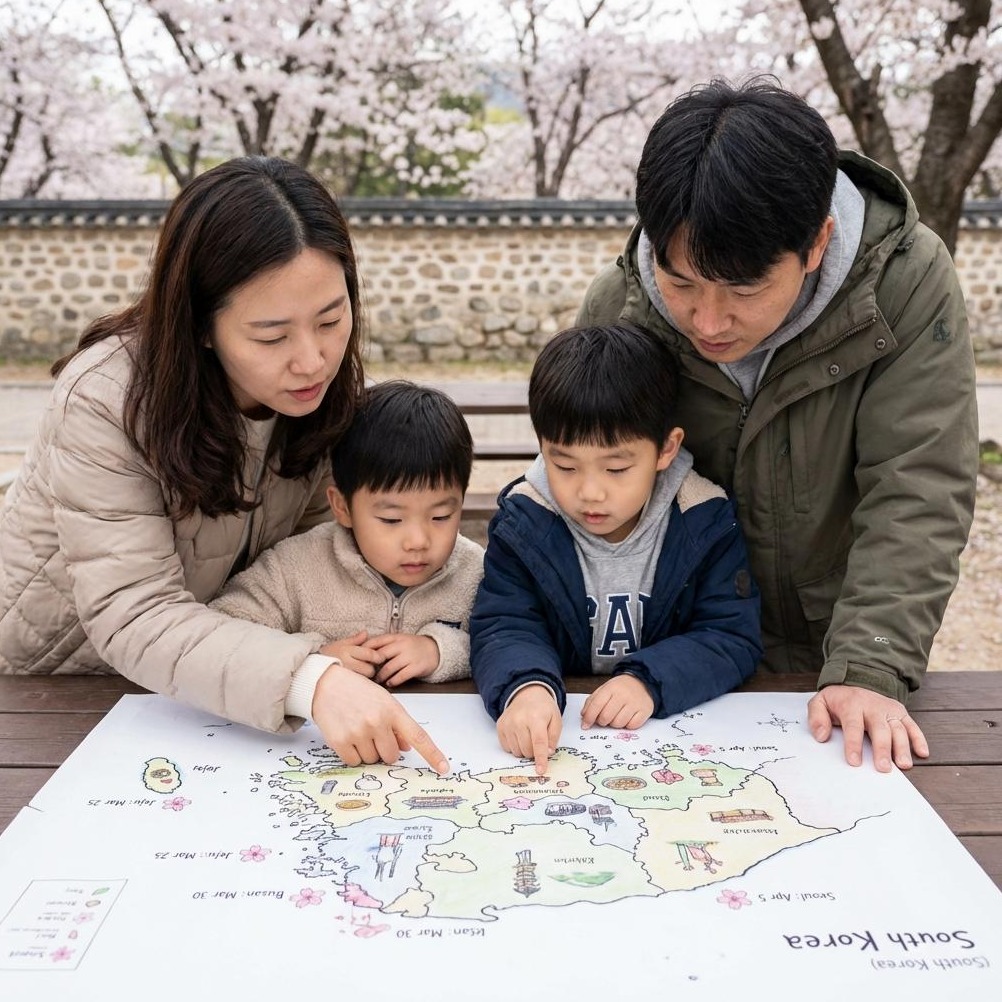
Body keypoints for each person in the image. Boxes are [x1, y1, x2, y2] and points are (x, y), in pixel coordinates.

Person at [576, 78, 979, 773]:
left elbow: (918, 484)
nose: (708, 322)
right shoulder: (622, 307)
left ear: (817, 243)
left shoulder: (902, 283)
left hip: (836, 642)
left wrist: (869, 664)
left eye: (744, 288)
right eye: (682, 283)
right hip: (672, 662)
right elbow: (574, 490)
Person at [0, 156, 448, 775]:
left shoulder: (319, 395)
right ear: (202, 325)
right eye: (271, 336)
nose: (313, 360)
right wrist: (310, 678)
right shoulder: (104, 399)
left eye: (331, 319)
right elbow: (134, 611)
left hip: (204, 694)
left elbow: (314, 557)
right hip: (51, 689)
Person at [470, 323, 762, 775]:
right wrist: (526, 688)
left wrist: (650, 680)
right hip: (566, 740)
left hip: (665, 749)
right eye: (565, 465)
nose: (590, 492)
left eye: (617, 468)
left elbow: (730, 635)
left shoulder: (703, 520)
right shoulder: (525, 522)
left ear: (666, 449)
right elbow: (505, 625)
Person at [210, 380, 484, 687]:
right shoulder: (294, 568)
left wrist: (440, 650)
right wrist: (311, 659)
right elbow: (224, 629)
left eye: (441, 516)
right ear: (342, 507)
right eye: (391, 519)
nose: (418, 541)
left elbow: (512, 640)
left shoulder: (478, 573)